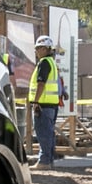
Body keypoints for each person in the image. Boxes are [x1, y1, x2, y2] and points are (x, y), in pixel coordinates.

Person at [31, 35, 60, 167]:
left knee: (43, 133)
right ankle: (49, 160)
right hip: (52, 105)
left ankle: (44, 161)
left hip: (43, 104)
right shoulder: (52, 62)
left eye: (38, 48)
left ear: (44, 49)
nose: (36, 51)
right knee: (49, 133)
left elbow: (41, 84)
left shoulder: (44, 63)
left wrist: (36, 102)